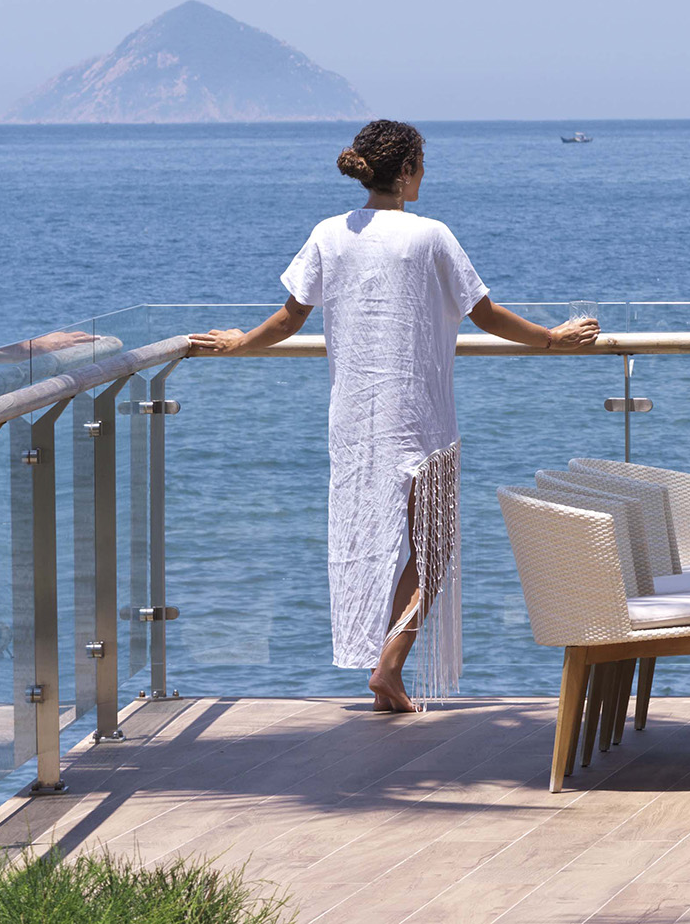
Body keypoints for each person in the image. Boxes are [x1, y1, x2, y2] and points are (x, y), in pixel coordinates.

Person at [189, 120, 599, 712]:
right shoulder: (430, 234)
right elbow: (485, 314)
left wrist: (238, 343)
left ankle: (385, 668)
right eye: (423, 163)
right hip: (421, 418)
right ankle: (388, 666)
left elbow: (288, 320)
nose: (425, 174)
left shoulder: (330, 234)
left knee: (368, 540)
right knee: (432, 548)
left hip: (355, 418)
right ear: (406, 171)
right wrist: (554, 339)